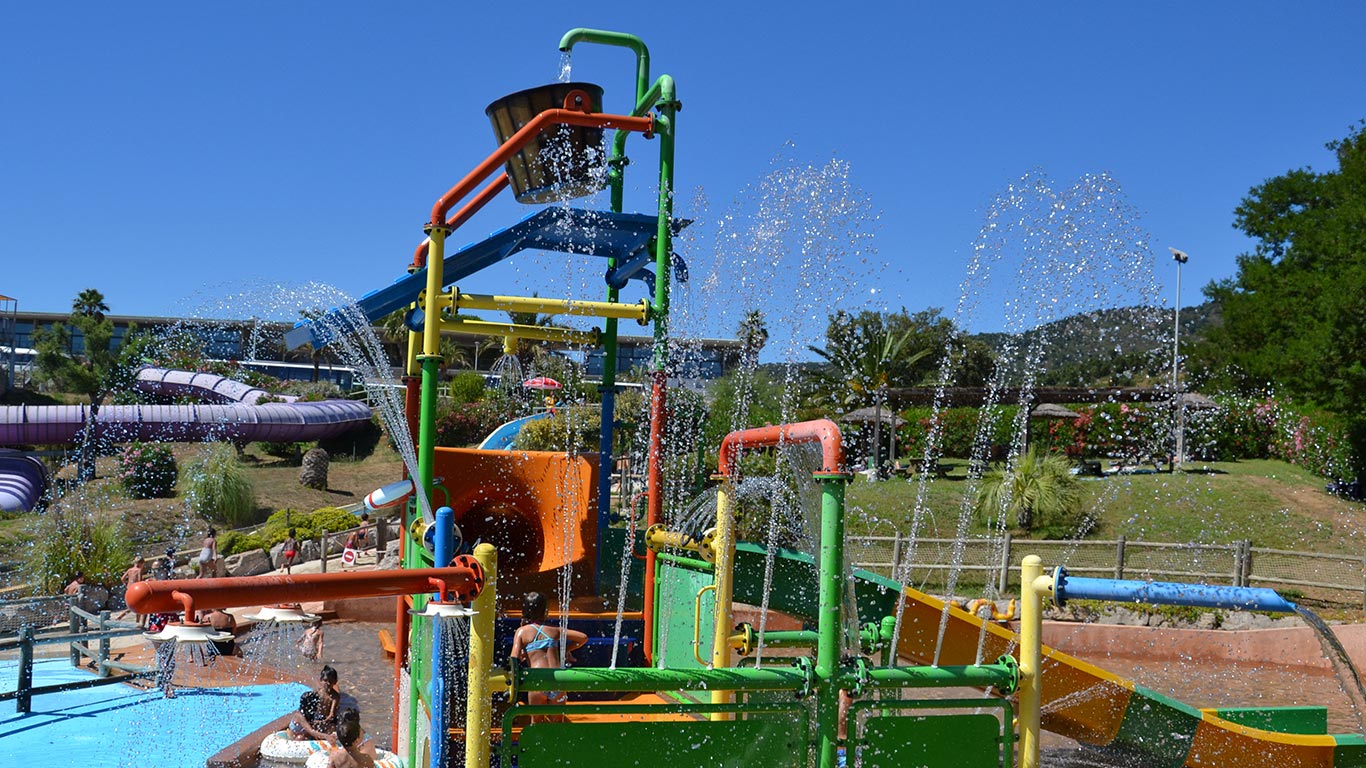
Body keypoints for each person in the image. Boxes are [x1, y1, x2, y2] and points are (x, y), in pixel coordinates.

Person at [510, 591, 587, 721]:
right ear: (545, 611)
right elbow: (583, 638)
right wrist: (564, 651)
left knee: (536, 723)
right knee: (557, 725)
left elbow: (514, 658)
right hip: (557, 681)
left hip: (538, 681)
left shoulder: (522, 632)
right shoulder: (555, 630)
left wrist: (525, 656)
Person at [316, 665, 341, 732]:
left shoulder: (335, 697)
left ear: (335, 682)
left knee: (332, 728)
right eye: (325, 680)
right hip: (318, 717)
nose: (328, 683)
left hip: (329, 720)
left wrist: (323, 722)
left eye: (330, 681)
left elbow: (331, 714)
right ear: (320, 680)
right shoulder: (317, 693)